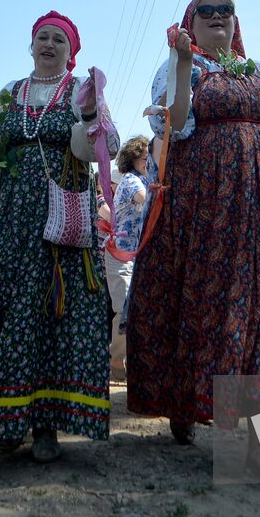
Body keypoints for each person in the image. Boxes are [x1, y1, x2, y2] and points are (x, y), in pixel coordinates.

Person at [126, 0, 260, 472]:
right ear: (191, 23)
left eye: (226, 10)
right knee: (213, 298)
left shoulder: (256, 69)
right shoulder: (182, 67)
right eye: (206, 11)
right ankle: (196, 409)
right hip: (207, 200)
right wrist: (182, 62)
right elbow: (176, 124)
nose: (218, 16)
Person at [0, 11, 116, 463]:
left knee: (51, 312)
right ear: (31, 46)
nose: (50, 45)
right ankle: (6, 416)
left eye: (59, 41)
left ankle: (46, 425)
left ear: (71, 52)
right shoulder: (10, 93)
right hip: (11, 217)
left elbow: (104, 146)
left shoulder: (79, 92)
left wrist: (89, 114)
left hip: (60, 216)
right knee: (8, 304)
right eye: (42, 38)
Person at [106, 135, 151, 379]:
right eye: (145, 158)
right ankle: (116, 359)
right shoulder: (132, 182)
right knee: (125, 307)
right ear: (132, 159)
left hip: (136, 254)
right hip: (121, 253)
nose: (148, 161)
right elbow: (147, 202)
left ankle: (123, 360)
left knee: (133, 308)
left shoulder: (144, 178)